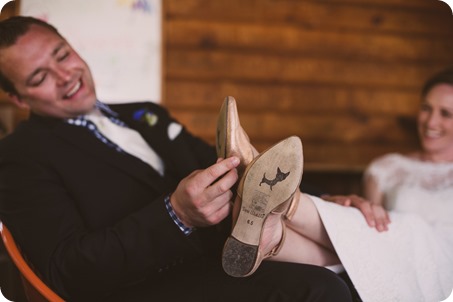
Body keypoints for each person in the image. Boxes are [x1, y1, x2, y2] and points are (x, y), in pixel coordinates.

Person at [0, 16, 353, 302]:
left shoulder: (144, 113)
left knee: (350, 262)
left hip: (214, 256)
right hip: (145, 286)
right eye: (40, 77)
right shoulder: (19, 156)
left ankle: (296, 211)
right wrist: (176, 214)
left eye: (62, 55)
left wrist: (331, 202)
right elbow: (67, 270)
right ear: (18, 99)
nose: (65, 76)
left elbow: (207, 158)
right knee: (321, 289)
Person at [223, 68, 453, 302]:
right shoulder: (387, 167)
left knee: (412, 226)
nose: (431, 121)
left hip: (444, 273)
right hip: (386, 258)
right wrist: (351, 206)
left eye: (445, 113)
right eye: (426, 108)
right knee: (358, 248)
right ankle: (274, 236)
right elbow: (366, 236)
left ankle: (261, 177)